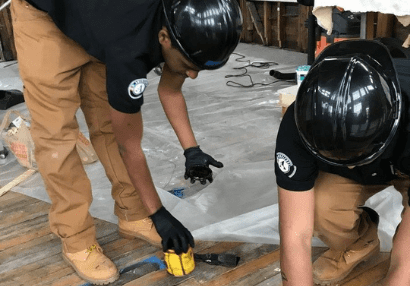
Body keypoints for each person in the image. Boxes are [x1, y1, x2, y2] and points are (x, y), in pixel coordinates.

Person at [10, 0, 242, 284]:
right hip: (43, 14)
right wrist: (159, 213)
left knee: (107, 122)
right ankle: (76, 238)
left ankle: (133, 213)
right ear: (163, 38)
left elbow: (170, 90)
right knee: (56, 137)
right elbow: (129, 146)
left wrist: (191, 149)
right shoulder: (128, 49)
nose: (192, 75)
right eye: (189, 66)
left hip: (99, 18)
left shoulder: (176, 20)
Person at [275, 39, 410, 285]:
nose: (350, 166)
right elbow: (296, 235)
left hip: (404, 161)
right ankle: (361, 242)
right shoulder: (299, 124)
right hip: (374, 156)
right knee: (319, 207)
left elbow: (407, 258)